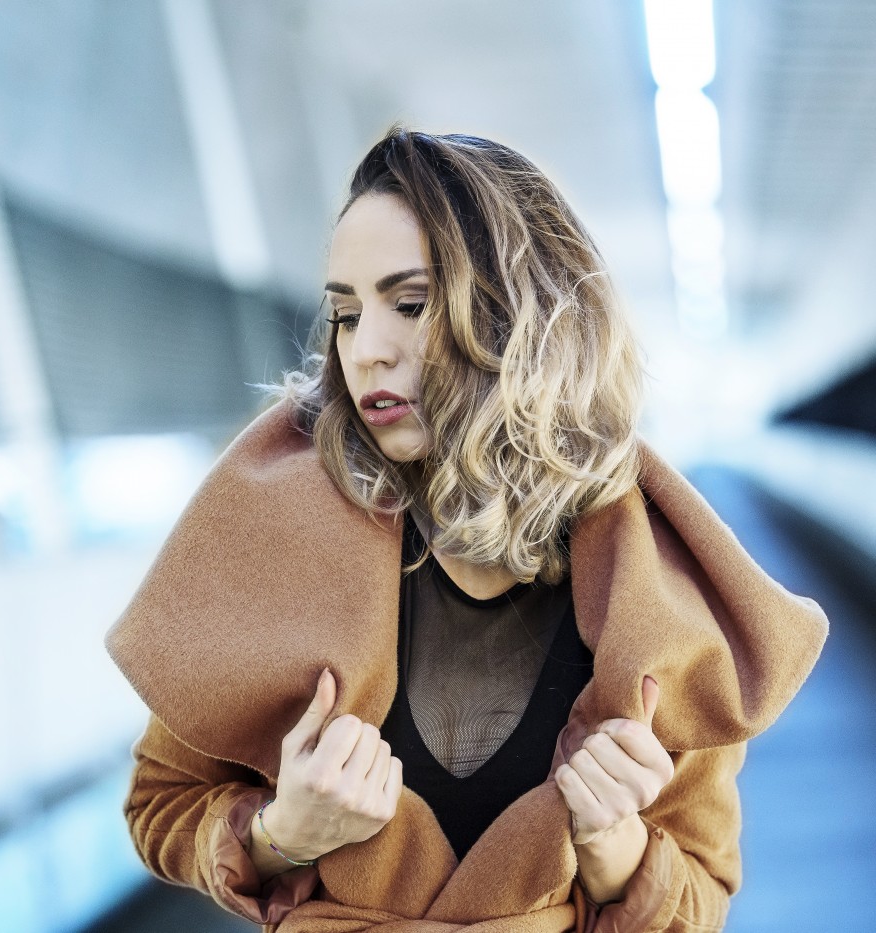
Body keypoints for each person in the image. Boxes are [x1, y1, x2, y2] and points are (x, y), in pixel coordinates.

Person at [104, 125, 829, 932]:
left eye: (409, 304)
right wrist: (279, 836)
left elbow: (702, 894)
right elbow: (160, 801)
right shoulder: (275, 524)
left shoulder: (659, 592)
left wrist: (617, 852)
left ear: (521, 314)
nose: (365, 351)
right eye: (345, 314)